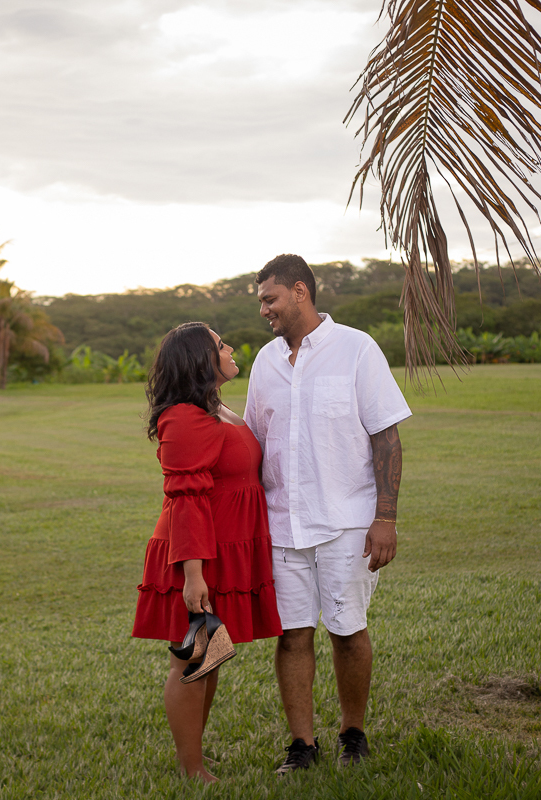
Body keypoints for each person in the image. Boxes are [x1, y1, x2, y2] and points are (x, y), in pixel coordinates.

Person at [243, 254, 410, 775]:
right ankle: (302, 746)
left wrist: (385, 518)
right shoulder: (265, 362)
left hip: (347, 523)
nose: (264, 310)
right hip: (283, 525)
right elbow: (253, 442)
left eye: (269, 299)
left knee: (347, 630)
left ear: (300, 291)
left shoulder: (357, 348)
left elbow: (386, 437)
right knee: (292, 635)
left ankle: (352, 736)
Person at [132, 321, 284, 784]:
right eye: (220, 345)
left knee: (210, 654)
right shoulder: (183, 417)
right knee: (192, 660)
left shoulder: (215, 407)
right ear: (200, 359)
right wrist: (193, 575)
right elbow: (187, 501)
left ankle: (194, 754)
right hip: (196, 554)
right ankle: (191, 767)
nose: (230, 347)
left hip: (223, 548)